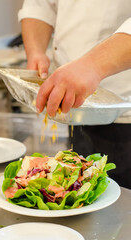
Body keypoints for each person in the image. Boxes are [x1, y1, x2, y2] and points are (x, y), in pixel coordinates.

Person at [18, 0, 131, 188]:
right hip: (77, 111)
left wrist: (92, 65)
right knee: (81, 194)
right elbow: (40, 5)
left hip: (124, 110)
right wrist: (36, 51)